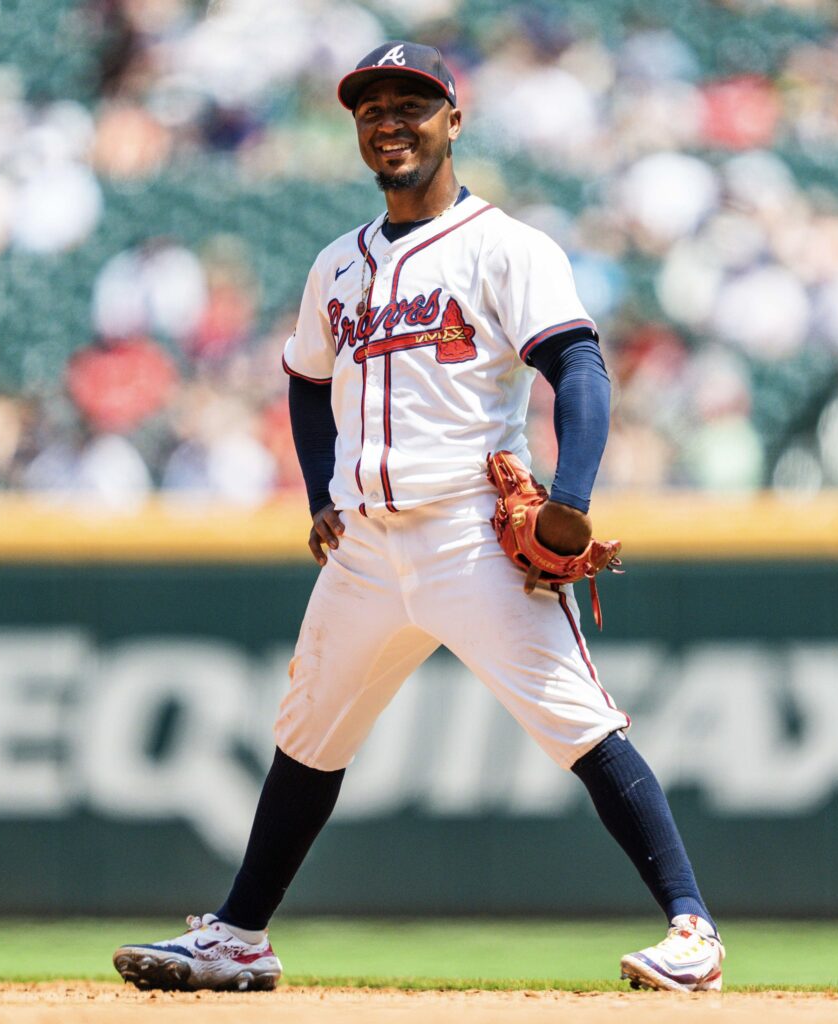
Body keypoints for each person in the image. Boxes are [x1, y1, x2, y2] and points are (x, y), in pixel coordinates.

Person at [113, 41, 725, 995]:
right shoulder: (337, 265)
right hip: (365, 544)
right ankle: (240, 937)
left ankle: (693, 929)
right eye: (371, 108)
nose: (389, 121)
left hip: (470, 534)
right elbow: (306, 381)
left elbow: (579, 367)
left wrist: (570, 502)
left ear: (454, 118)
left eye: (411, 103)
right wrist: (320, 493)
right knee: (307, 735)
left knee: (581, 725)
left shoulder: (506, 247)